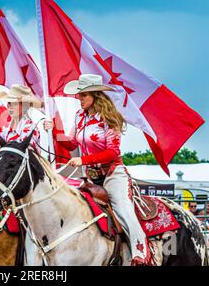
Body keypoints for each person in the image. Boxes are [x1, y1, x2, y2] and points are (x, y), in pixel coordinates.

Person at [44, 74, 151, 266]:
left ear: (95, 95)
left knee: (123, 210)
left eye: (84, 95)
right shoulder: (79, 117)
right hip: (91, 178)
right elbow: (70, 144)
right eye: (79, 95)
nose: (80, 98)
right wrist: (53, 131)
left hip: (112, 175)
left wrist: (83, 159)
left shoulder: (110, 118)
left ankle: (141, 254)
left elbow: (113, 152)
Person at [0, 84, 42, 163]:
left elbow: (24, 155)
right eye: (9, 103)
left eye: (14, 103)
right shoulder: (7, 129)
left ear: (24, 106)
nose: (10, 106)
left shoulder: (30, 127)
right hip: (12, 169)